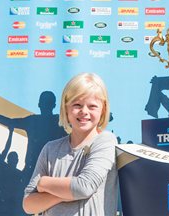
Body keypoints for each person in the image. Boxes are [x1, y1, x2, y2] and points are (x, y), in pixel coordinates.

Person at [23, 73, 118, 215]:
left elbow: (84, 187)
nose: (84, 111)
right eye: (77, 105)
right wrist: (67, 193)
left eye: (92, 106)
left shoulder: (105, 141)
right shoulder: (50, 149)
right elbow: (29, 205)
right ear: (65, 109)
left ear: (103, 109)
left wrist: (43, 183)